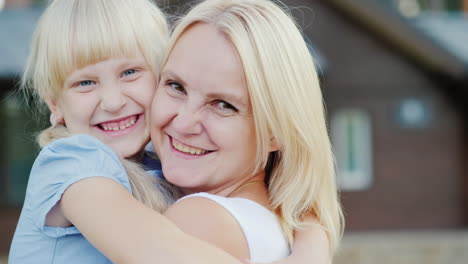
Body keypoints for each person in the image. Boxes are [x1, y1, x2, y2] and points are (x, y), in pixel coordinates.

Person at [49, 0, 343, 263]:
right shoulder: (282, 223)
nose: (183, 123)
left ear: (276, 133)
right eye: (176, 86)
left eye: (223, 105)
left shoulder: (199, 218)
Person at [8, 0, 176, 263]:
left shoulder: (163, 162)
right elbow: (161, 253)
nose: (113, 101)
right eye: (85, 82)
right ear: (55, 102)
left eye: (129, 72)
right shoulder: (70, 161)